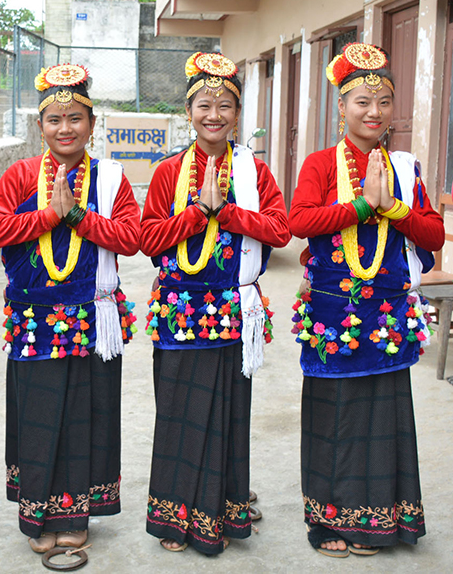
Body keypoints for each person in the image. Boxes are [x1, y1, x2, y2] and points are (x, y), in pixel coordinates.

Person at [289, 42, 443, 558]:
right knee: (334, 417)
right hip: (333, 314)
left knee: (383, 414)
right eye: (362, 102)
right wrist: (359, 204)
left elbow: (433, 234)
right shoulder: (319, 164)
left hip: (387, 315)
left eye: (383, 102)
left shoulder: (403, 167)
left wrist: (393, 206)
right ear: (341, 106)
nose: (374, 112)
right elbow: (299, 223)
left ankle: (381, 520)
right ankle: (328, 520)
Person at [0, 64, 141, 553]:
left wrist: (77, 215)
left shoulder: (111, 179)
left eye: (75, 118)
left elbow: (131, 238)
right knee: (39, 413)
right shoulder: (19, 176)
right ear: (40, 126)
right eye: (54, 119)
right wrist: (48, 214)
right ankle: (39, 515)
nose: (65, 128)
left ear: (92, 125)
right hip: (34, 321)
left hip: (93, 319)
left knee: (85, 415)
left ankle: (78, 516)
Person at [140, 52, 290, 555]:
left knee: (229, 412)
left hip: (234, 312)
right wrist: (197, 211)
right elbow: (148, 240)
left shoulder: (254, 173)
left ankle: (223, 509)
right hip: (180, 311)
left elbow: (281, 230)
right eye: (204, 104)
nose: (214, 114)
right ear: (188, 112)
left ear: (238, 113)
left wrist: (228, 213)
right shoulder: (166, 173)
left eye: (226, 105)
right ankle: (176, 516)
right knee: (179, 411)